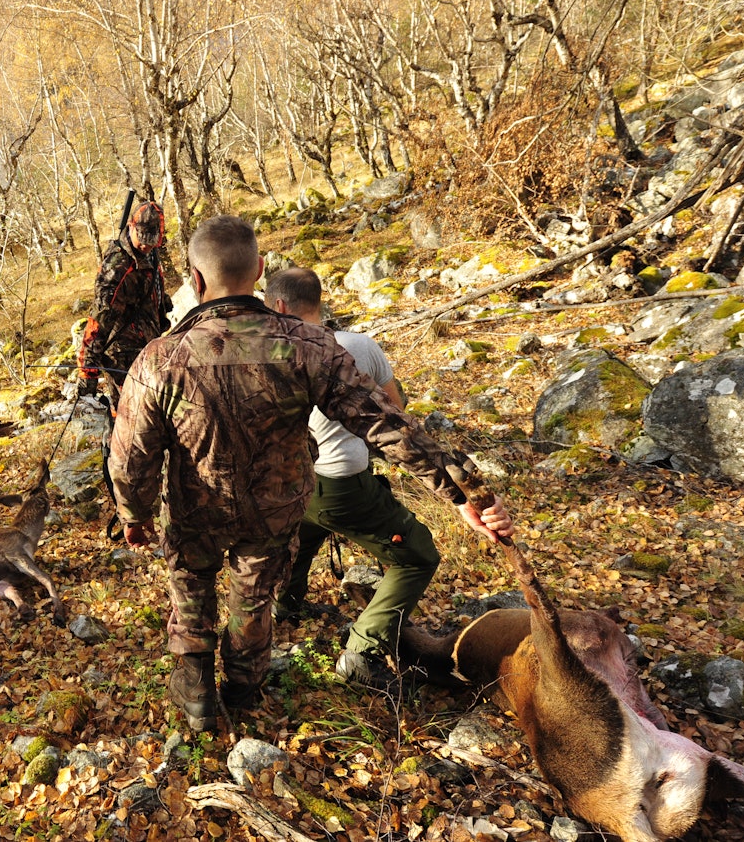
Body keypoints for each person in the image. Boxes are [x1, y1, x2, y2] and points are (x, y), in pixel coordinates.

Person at [108, 215, 514, 731]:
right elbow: (385, 424)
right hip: (276, 512)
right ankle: (244, 687)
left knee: (191, 583)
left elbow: (129, 457)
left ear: (194, 277)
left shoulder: (158, 360)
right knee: (253, 597)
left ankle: (195, 687)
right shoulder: (308, 346)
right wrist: (464, 494)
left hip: (197, 512)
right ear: (259, 268)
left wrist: (134, 515)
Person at [264, 268, 443, 685]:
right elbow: (395, 410)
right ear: (320, 301)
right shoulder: (358, 345)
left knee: (304, 534)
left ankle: (286, 604)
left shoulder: (263, 354)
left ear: (278, 306)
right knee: (418, 556)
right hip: (341, 481)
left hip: (289, 480)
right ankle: (361, 653)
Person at [77, 201, 172, 407]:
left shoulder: (151, 253)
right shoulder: (117, 267)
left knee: (153, 411)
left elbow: (150, 286)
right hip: (122, 356)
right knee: (130, 414)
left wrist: (162, 304)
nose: (146, 245)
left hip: (149, 347)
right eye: (143, 239)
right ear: (131, 227)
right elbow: (99, 320)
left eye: (152, 239)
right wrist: (88, 372)